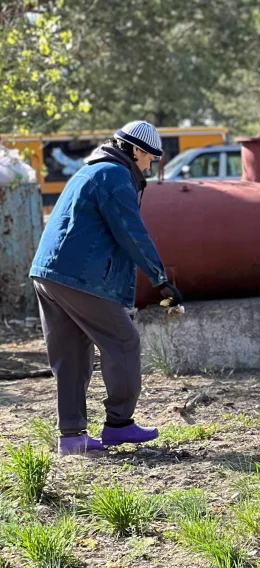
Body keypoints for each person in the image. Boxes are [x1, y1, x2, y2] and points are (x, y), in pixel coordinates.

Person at [28, 122, 183, 456]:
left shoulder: (90, 171)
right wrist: (160, 278)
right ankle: (119, 424)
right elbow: (131, 232)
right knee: (124, 342)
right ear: (137, 150)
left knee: (71, 354)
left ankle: (71, 437)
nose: (149, 166)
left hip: (48, 273)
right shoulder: (114, 175)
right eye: (150, 159)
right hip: (77, 277)